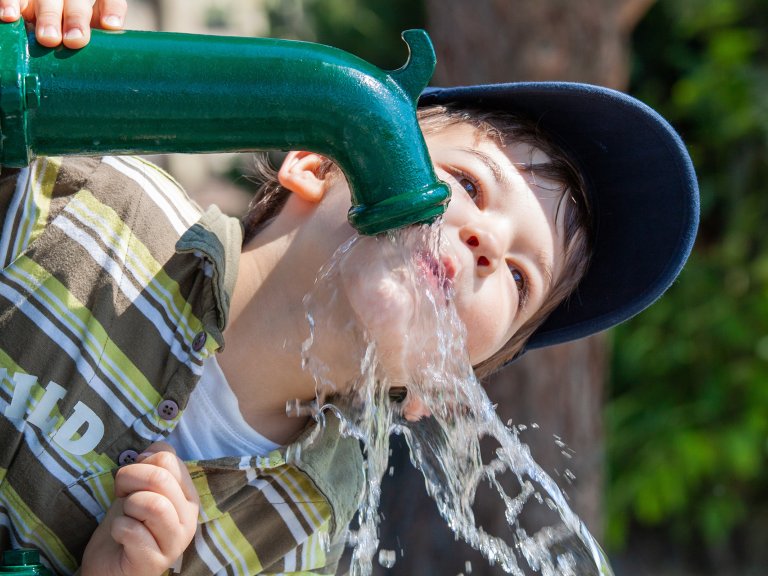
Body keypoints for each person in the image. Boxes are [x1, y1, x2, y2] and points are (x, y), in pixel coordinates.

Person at [0, 1, 700, 575]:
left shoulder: (309, 534)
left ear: (443, 386)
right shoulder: (87, 201)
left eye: (519, 277)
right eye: (467, 183)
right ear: (315, 160)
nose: (487, 241)